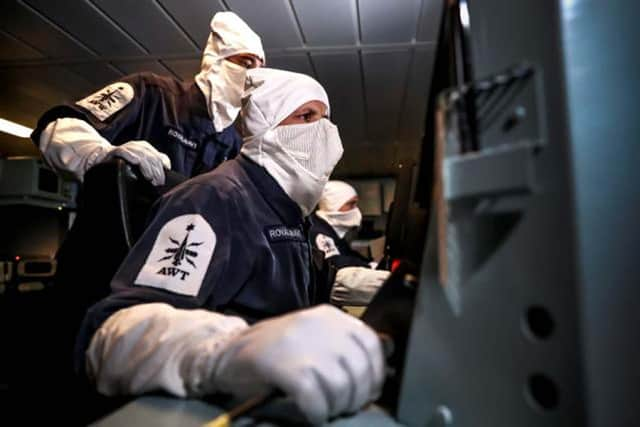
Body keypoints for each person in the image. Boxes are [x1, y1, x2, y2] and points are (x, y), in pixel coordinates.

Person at [75, 68, 385, 425]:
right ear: (268, 123)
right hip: (223, 403)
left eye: (326, 120)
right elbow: (112, 337)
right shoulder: (215, 198)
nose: (323, 132)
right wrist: (227, 351)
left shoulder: (287, 211)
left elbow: (311, 283)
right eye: (306, 117)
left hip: (281, 393)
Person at [31, 11, 264, 184]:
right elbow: (57, 131)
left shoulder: (234, 141)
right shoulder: (151, 93)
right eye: (245, 62)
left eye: (259, 68)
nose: (254, 75)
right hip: (110, 241)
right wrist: (105, 157)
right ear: (217, 60)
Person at [310, 181, 390, 306]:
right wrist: (369, 267)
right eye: (351, 204)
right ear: (334, 204)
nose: (355, 210)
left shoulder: (329, 228)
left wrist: (369, 264)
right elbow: (335, 263)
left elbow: (346, 253)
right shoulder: (319, 232)